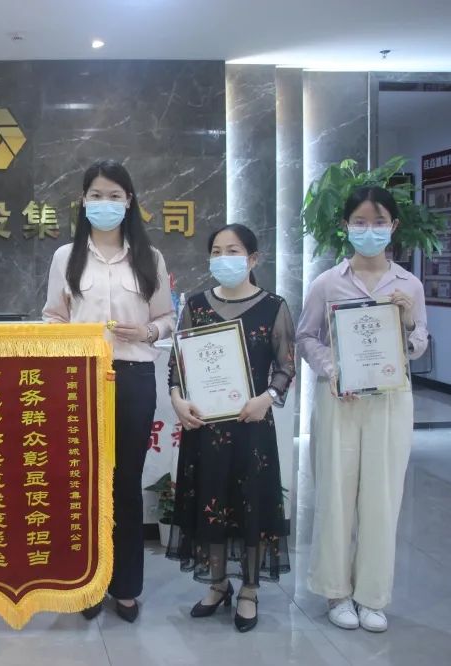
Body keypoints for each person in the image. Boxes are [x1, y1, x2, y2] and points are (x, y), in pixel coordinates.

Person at [42, 159, 175, 622]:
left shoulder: (149, 257)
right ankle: (86, 582)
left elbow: (167, 317)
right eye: (96, 195)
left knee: (125, 484)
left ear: (129, 201)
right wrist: (67, 339)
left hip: (134, 377)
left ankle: (126, 586)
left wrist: (149, 332)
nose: (105, 203)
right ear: (83, 202)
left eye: (114, 196)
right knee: (82, 482)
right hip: (78, 380)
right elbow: (53, 317)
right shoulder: (66, 257)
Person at [298, 186, 427, 633]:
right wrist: (333, 369)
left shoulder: (409, 285)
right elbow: (306, 337)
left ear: (393, 227)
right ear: (345, 226)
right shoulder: (326, 283)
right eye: (360, 222)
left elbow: (418, 344)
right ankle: (335, 591)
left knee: (382, 497)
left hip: (390, 401)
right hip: (339, 400)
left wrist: (407, 321)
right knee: (335, 495)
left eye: (378, 222)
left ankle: (372, 596)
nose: (369, 230)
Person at [166, 223, 295, 633]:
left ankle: (250, 590)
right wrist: (177, 399)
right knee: (211, 500)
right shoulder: (196, 305)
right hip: (205, 429)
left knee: (249, 502)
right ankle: (218, 583)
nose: (224, 258)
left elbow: (286, 367)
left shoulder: (273, 306)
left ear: (253, 259)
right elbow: (177, 365)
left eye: (234, 251)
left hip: (251, 426)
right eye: (217, 251)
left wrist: (266, 398)